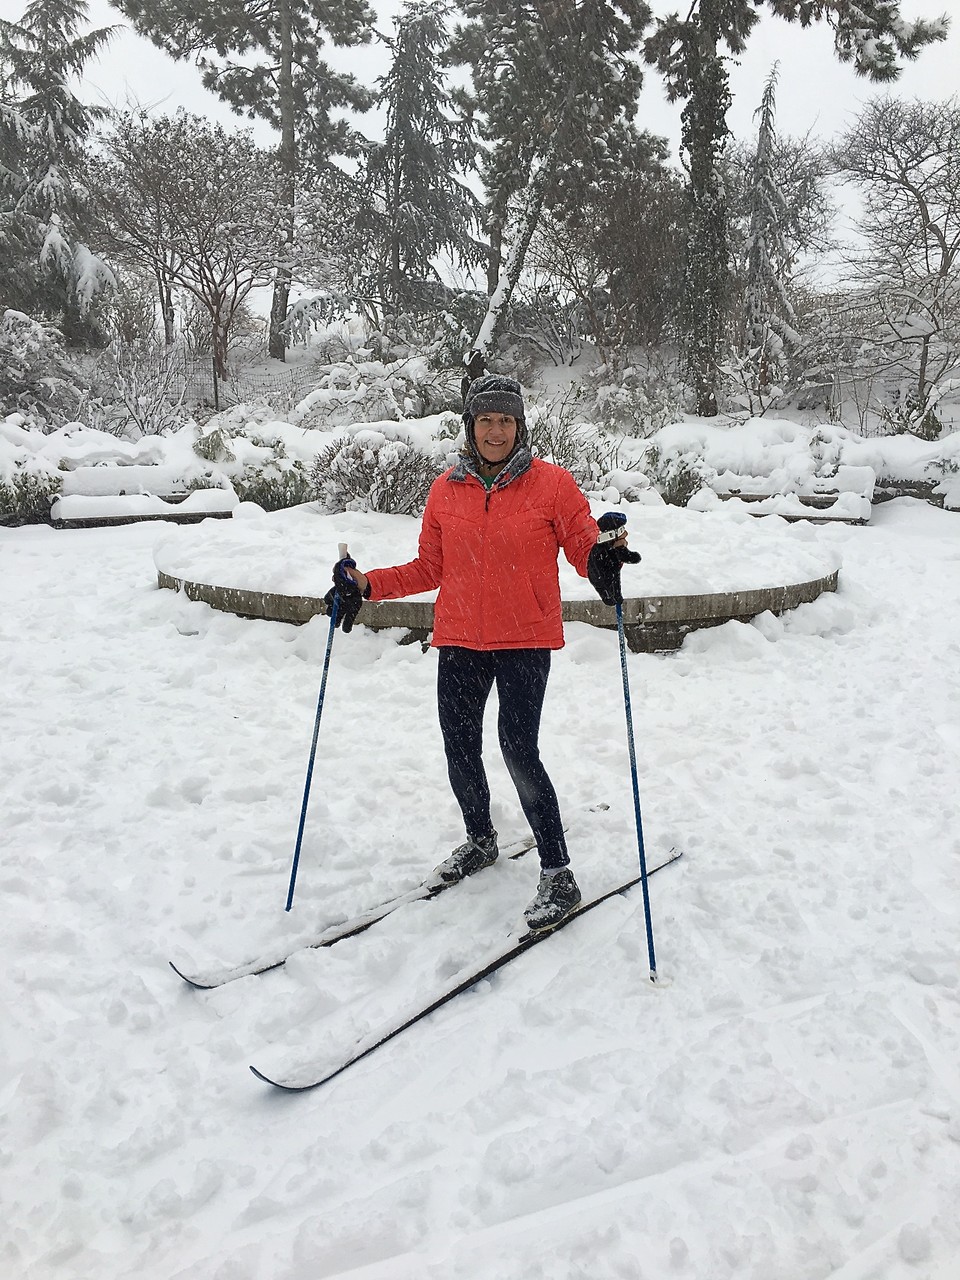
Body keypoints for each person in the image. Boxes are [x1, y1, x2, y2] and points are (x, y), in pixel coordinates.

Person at [326, 375, 639, 931]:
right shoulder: (446, 489)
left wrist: (600, 561)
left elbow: (581, 542)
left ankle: (558, 872)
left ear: (520, 427)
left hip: (524, 639)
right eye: (486, 420)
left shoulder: (553, 486)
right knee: (459, 745)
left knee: (518, 749)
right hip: (460, 640)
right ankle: (480, 838)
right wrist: (366, 584)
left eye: (506, 420)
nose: (496, 430)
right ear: (470, 427)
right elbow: (430, 566)